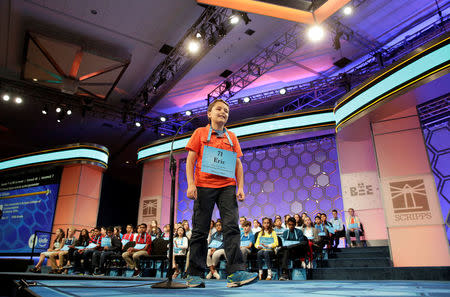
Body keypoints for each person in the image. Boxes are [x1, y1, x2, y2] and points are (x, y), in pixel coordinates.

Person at [184, 99, 257, 288]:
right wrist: (191, 184)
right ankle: (194, 274)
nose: (223, 112)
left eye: (226, 110)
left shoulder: (232, 136)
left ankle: (236, 273)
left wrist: (240, 187)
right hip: (203, 186)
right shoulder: (199, 133)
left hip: (227, 186)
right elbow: (190, 161)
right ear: (209, 114)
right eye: (218, 109)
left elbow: (238, 164)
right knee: (200, 231)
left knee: (232, 228)